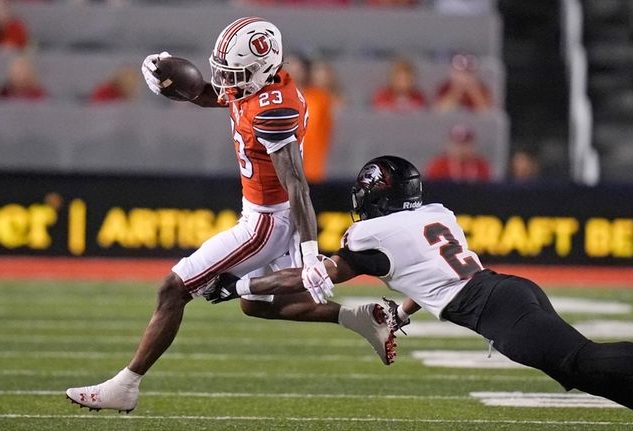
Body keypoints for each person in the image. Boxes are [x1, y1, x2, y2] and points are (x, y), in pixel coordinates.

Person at [211, 155, 633, 431]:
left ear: (373, 199)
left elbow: (311, 277)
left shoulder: (367, 238)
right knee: (586, 373)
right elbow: (431, 271)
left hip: (497, 312)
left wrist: (239, 284)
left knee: (585, 359)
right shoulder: (436, 214)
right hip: (506, 292)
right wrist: (407, 309)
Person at [65, 17, 394, 414]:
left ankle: (126, 385)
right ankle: (362, 318)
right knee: (257, 303)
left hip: (266, 222)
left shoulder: (275, 109)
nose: (225, 81)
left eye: (234, 73)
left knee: (173, 288)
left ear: (262, 68)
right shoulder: (259, 84)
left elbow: (297, 185)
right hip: (273, 214)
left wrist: (309, 254)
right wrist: (168, 83)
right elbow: (212, 94)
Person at [285, 54, 337, 183]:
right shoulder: (272, 99)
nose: (293, 72)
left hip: (313, 168)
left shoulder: (319, 98)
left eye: (297, 68)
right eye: (289, 67)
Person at [425, 124, 492, 182]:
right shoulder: (438, 165)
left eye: (466, 144)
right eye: (457, 144)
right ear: (448, 145)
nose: (461, 148)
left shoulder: (482, 166)